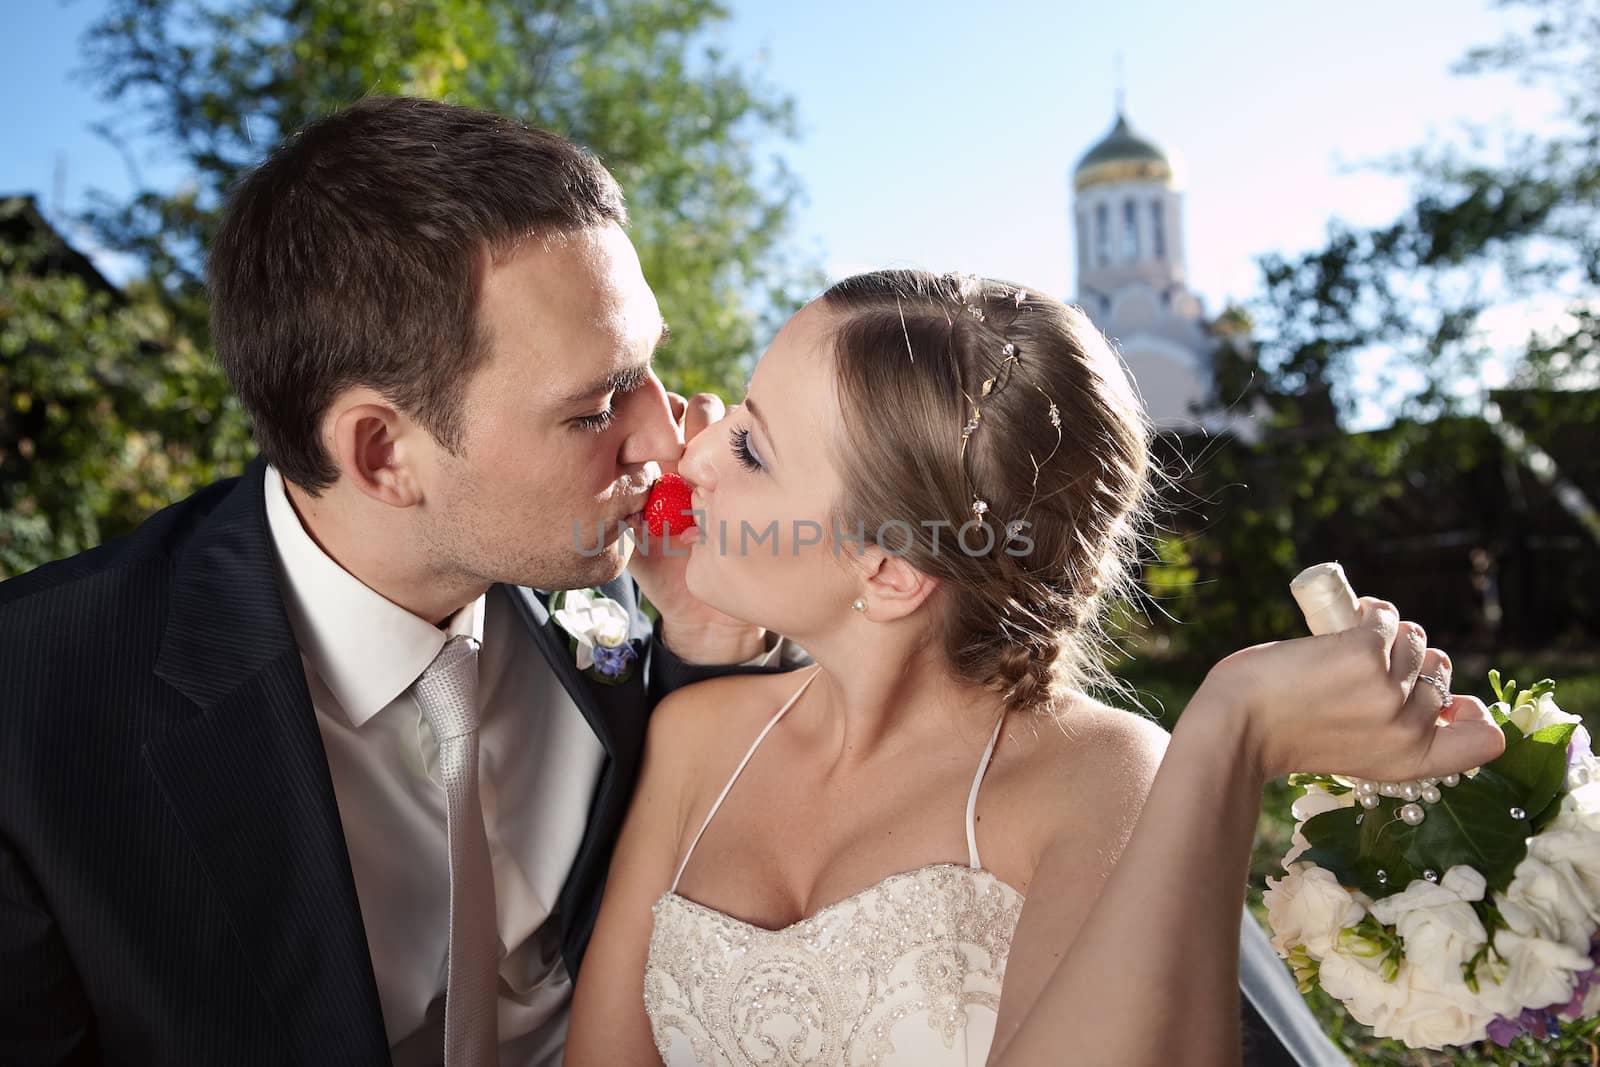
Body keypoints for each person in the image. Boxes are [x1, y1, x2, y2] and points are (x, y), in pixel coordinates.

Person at [0, 96, 805, 1066]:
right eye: (596, 409)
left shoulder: (624, 596)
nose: (670, 438)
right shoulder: (32, 716)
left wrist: (712, 637)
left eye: (647, 368)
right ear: (383, 454)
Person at [563, 271, 1506, 1065]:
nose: (692, 451)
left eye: (751, 447)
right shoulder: (693, 740)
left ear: (887, 570)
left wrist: (1230, 729)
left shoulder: (1103, 779)